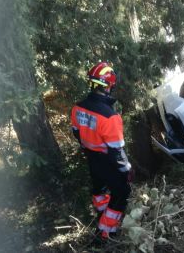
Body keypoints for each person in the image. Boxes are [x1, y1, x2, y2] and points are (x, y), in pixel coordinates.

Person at [71, 61, 132, 239]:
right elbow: (116, 151)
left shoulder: (77, 107)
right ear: (109, 86)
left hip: (91, 157)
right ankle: (106, 231)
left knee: (99, 188)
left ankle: (102, 213)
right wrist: (126, 169)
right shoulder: (110, 116)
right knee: (122, 191)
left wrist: (89, 146)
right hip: (107, 160)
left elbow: (76, 133)